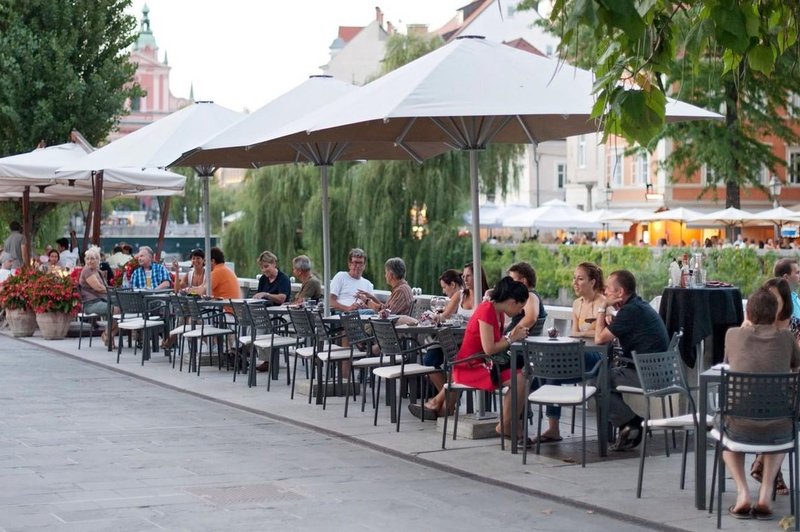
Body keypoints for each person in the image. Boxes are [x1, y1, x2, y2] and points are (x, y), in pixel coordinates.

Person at [410, 277, 531, 441]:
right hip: (471, 365)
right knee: (520, 378)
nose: (521, 312)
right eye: (521, 307)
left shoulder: (497, 312)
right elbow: (489, 348)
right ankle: (507, 425)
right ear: (512, 302)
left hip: (480, 362)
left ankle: (439, 407)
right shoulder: (487, 310)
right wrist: (512, 338)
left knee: (523, 375)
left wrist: (511, 338)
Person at [721, 287, 800, 520]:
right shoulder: (786, 337)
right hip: (779, 425)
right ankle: (765, 494)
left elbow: (727, 362)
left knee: (724, 433)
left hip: (738, 425)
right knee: (778, 427)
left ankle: (743, 493)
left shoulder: (733, 334)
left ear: (748, 311)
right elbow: (796, 366)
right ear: (776, 311)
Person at [595, 269, 669, 451]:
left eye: (608, 290)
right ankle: (626, 428)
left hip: (647, 374)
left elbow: (599, 338)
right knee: (605, 377)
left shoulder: (630, 311)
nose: (605, 293)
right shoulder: (638, 306)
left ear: (620, 293)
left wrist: (602, 307)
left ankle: (633, 423)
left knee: (598, 383)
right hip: (661, 371)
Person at [533, 262, 607, 444]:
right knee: (552, 369)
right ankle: (553, 428)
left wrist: (583, 333)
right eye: (574, 278)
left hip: (597, 357)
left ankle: (531, 391)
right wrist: (585, 333)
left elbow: (601, 334)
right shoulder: (576, 304)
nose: (575, 282)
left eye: (580, 279)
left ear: (592, 281)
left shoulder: (603, 303)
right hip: (577, 355)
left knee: (547, 367)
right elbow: (574, 332)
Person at [79, 246, 117, 347]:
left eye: (92, 258)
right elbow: (99, 288)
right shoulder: (87, 270)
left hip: (101, 300)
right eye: (87, 258)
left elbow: (104, 288)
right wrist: (114, 291)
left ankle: (109, 335)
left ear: (98, 260)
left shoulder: (98, 271)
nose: (89, 261)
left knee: (123, 307)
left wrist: (112, 291)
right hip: (91, 303)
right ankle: (107, 334)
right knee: (117, 309)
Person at [505, 261, 546, 336]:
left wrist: (510, 335)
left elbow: (531, 318)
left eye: (512, 280)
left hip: (516, 345)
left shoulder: (530, 296)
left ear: (523, 281)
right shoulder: (527, 296)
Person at [329, 248, 374, 313]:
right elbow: (330, 301)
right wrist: (348, 308)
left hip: (362, 314)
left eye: (360, 263)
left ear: (364, 266)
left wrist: (365, 305)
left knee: (374, 312)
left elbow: (371, 305)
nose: (358, 266)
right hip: (343, 315)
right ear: (349, 264)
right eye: (355, 263)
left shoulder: (368, 284)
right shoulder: (341, 276)